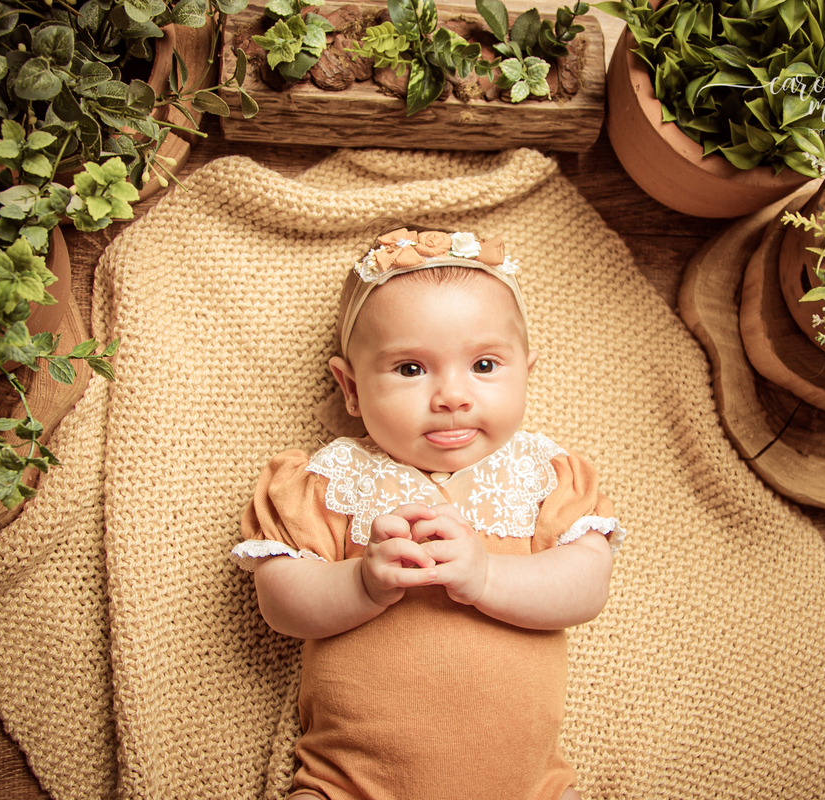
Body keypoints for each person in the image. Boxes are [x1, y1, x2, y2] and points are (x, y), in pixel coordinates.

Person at [232, 226, 626, 800]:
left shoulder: (545, 476)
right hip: (349, 781)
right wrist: (360, 581)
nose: (453, 396)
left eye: (485, 365)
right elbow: (281, 603)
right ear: (351, 388)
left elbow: (587, 588)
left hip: (527, 786)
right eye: (411, 369)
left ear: (527, 372)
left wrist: (487, 575)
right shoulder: (330, 480)